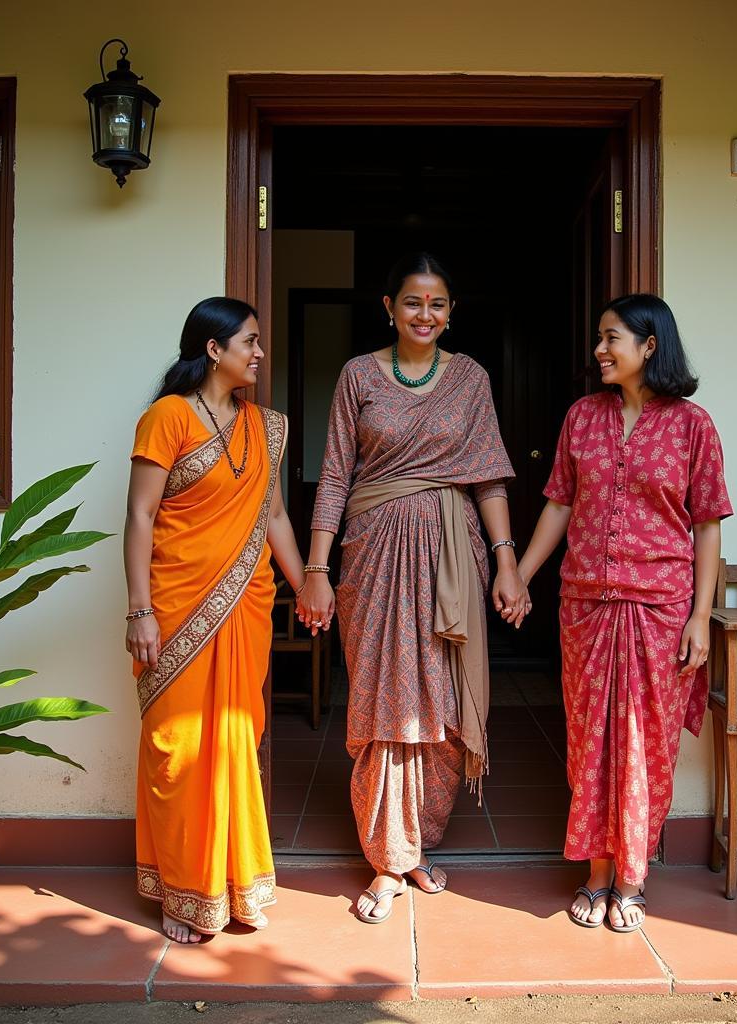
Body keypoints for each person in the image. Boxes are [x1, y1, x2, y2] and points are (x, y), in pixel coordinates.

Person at [299, 253, 529, 924]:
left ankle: (417, 842)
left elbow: (488, 476)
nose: (424, 314)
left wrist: (507, 560)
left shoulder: (473, 379)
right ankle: (387, 859)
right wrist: (317, 570)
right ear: (388, 308)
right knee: (383, 698)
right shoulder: (358, 376)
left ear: (450, 311)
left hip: (453, 558)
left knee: (442, 700)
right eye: (412, 303)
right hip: (372, 557)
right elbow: (335, 475)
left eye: (437, 304)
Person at [516, 293, 732, 932]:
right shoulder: (582, 417)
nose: (599, 350)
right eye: (600, 338)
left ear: (650, 345)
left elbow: (708, 525)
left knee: (646, 743)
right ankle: (598, 873)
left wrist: (700, 616)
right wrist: (521, 576)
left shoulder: (695, 426)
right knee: (590, 742)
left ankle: (632, 878)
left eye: (611, 338)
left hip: (662, 609)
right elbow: (558, 504)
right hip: (585, 604)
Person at [124, 297, 307, 943]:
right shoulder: (167, 418)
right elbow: (141, 517)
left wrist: (309, 581)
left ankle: (234, 886)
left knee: (233, 743)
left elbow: (274, 515)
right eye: (250, 341)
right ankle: (183, 892)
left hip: (243, 605)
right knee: (177, 750)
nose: (259, 352)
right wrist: (141, 610)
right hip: (174, 607)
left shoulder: (266, 426)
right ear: (213, 349)